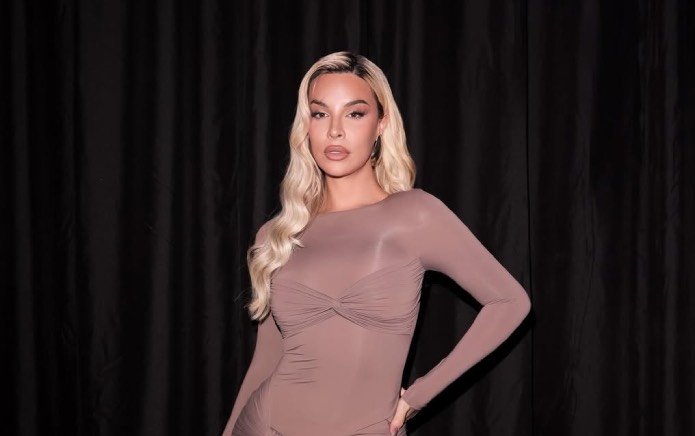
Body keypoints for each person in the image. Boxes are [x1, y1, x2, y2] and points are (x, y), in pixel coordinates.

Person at [222, 51, 531, 436]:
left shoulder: (414, 214)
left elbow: (509, 302)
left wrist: (419, 395)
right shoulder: (276, 235)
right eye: (320, 114)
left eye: (354, 113)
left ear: (381, 123)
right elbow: (265, 360)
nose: (335, 131)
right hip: (264, 425)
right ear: (306, 126)